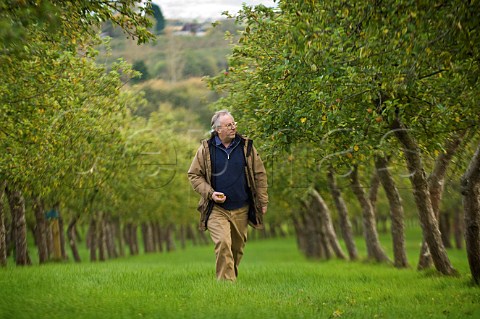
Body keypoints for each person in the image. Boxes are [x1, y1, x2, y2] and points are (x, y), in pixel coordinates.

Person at [187, 110, 268, 281]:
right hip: (217, 209)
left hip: (242, 208)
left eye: (234, 124)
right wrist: (210, 193)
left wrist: (263, 201)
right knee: (223, 244)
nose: (233, 127)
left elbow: (259, 174)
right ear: (218, 130)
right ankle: (227, 286)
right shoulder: (206, 150)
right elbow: (194, 175)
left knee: (236, 249)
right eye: (229, 125)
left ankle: (230, 277)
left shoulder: (246, 147)